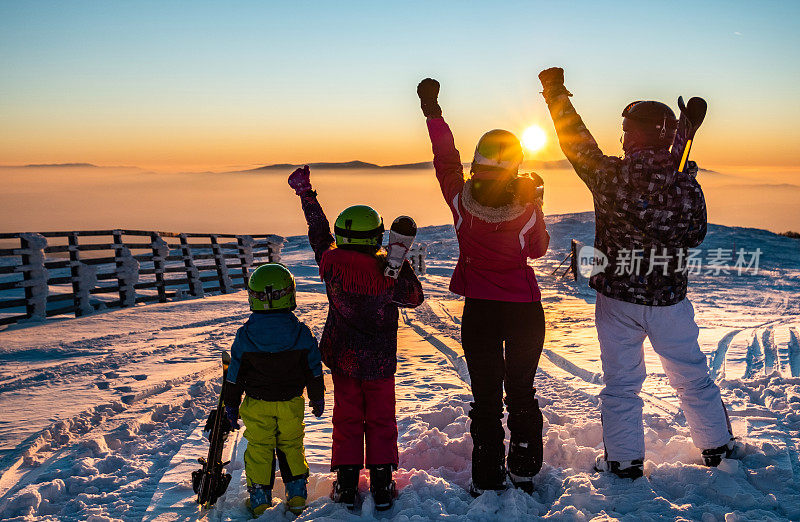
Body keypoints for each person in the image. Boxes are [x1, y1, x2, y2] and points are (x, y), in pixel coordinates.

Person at [537, 67, 739, 479]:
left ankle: (624, 460)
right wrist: (678, 188)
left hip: (618, 300)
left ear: (638, 134)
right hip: (669, 301)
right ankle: (717, 447)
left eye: (627, 130)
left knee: (621, 385)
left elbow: (576, 141)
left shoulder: (610, 176)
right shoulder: (684, 183)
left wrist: (555, 93)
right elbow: (696, 235)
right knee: (692, 378)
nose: (622, 137)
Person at [416, 78, 550, 495]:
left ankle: (487, 477)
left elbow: (445, 158)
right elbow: (538, 251)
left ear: (478, 162)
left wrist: (433, 112)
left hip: (480, 313)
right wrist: (538, 203)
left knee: (487, 399)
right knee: (522, 392)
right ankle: (525, 470)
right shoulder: (526, 208)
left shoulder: (459, 201)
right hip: (524, 312)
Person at [287, 165, 425, 511]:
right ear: (377, 237)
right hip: (379, 362)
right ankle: (381, 483)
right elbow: (414, 297)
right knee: (380, 419)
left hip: (343, 359)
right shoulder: (387, 273)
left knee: (346, 419)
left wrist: (307, 194)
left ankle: (346, 485)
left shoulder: (331, 264)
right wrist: (399, 260)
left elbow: (319, 234)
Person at [222, 262, 325, 516]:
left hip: (257, 404)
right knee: (291, 444)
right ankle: (298, 495)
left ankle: (259, 499)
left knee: (259, 448)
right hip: (291, 403)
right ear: (290, 293)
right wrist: (317, 396)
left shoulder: (245, 336)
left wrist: (231, 405)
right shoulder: (301, 333)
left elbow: (234, 375)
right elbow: (314, 368)